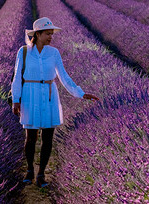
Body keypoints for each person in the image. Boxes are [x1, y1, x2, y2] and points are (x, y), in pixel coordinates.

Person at [11, 17, 99, 188]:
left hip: (50, 95)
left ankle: (41, 173)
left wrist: (80, 94)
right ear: (37, 34)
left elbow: (63, 76)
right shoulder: (23, 52)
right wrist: (16, 100)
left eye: (51, 34)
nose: (51, 37)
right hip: (30, 95)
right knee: (30, 138)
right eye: (47, 34)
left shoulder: (54, 53)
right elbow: (16, 77)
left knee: (48, 137)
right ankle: (29, 170)